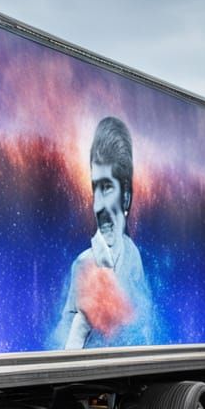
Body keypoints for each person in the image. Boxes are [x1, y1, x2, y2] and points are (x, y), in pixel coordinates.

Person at [55, 116, 153, 349]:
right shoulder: (83, 265)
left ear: (126, 196)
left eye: (107, 187)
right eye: (94, 188)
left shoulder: (134, 257)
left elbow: (144, 326)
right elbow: (63, 349)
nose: (98, 205)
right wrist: (81, 325)